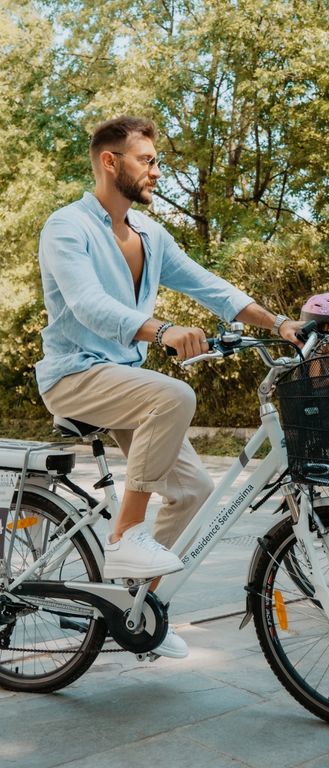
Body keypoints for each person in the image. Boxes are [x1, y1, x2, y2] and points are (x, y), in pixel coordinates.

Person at [36, 115, 303, 658]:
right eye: (147, 160)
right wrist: (162, 331)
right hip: (74, 375)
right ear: (111, 162)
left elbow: (212, 288)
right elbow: (88, 305)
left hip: (125, 383)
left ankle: (140, 612)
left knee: (194, 494)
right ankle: (125, 536)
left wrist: (280, 325)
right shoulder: (68, 226)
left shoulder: (150, 235)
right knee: (174, 393)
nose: (156, 172)